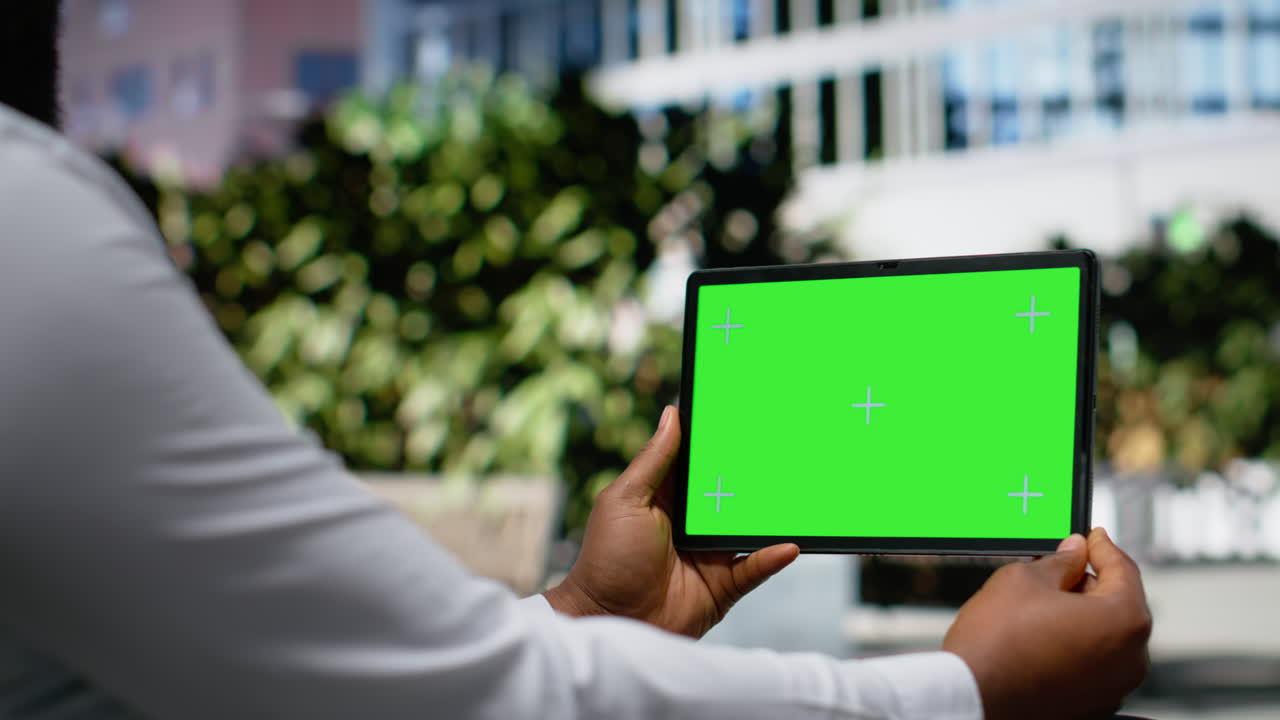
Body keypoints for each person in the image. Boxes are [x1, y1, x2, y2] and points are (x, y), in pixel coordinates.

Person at [0, 5, 1150, 719]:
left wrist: (589, 614)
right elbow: (451, 705)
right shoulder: (22, 222)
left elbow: (317, 681)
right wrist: (961, 697)